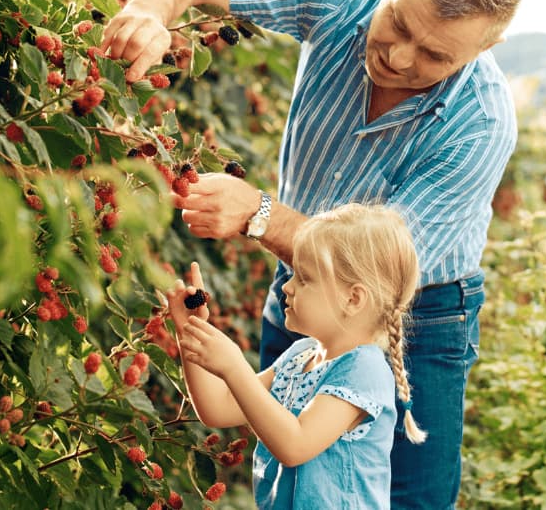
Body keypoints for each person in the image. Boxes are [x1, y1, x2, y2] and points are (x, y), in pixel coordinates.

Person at [101, 0, 523, 508]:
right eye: (399, 22)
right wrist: (148, 10)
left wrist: (260, 214)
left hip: (419, 309)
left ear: (483, 51)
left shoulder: (479, 124)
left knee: (413, 497)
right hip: (306, 280)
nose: (398, 57)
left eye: (434, 55)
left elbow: (373, 268)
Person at [164, 204, 424, 510]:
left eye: (304, 278)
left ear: (352, 299)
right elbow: (217, 408)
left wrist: (234, 367)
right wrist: (190, 330)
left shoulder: (363, 370)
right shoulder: (300, 357)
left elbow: (295, 445)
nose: (286, 287)